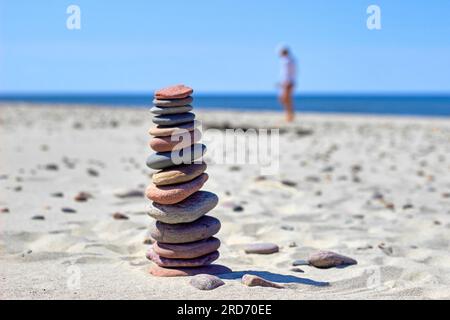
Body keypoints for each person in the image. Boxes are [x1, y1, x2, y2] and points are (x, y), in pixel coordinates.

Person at [278, 46, 296, 122]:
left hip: (287, 82)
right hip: (290, 81)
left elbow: (286, 74)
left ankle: (289, 116)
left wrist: (285, 83)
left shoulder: (286, 61)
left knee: (285, 99)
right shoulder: (291, 60)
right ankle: (289, 115)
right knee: (287, 100)